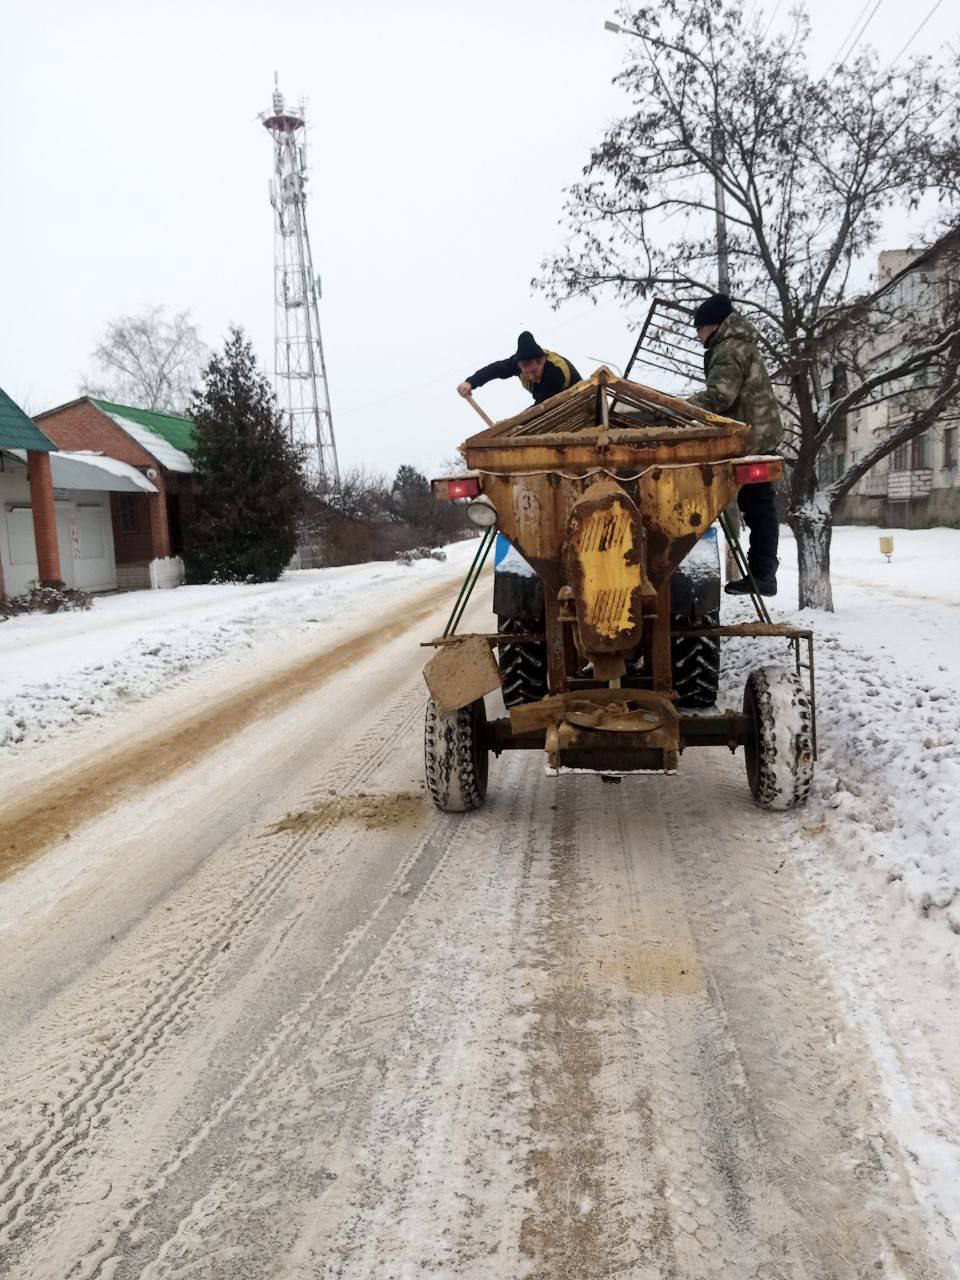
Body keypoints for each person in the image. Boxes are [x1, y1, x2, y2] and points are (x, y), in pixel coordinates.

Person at [687, 294, 783, 596]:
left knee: (757, 507)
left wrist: (682, 408)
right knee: (759, 507)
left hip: (750, 437)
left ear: (713, 326)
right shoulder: (741, 344)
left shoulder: (728, 349)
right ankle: (763, 572)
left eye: (699, 330)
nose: (698, 337)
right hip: (758, 433)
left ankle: (763, 574)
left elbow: (721, 396)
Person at [458, 331, 581, 406]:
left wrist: (509, 427)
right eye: (526, 373)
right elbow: (495, 369)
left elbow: (541, 407)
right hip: (547, 402)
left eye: (534, 371)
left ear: (542, 360)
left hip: (577, 401)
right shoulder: (517, 363)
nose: (531, 377)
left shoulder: (555, 372)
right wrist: (470, 382)